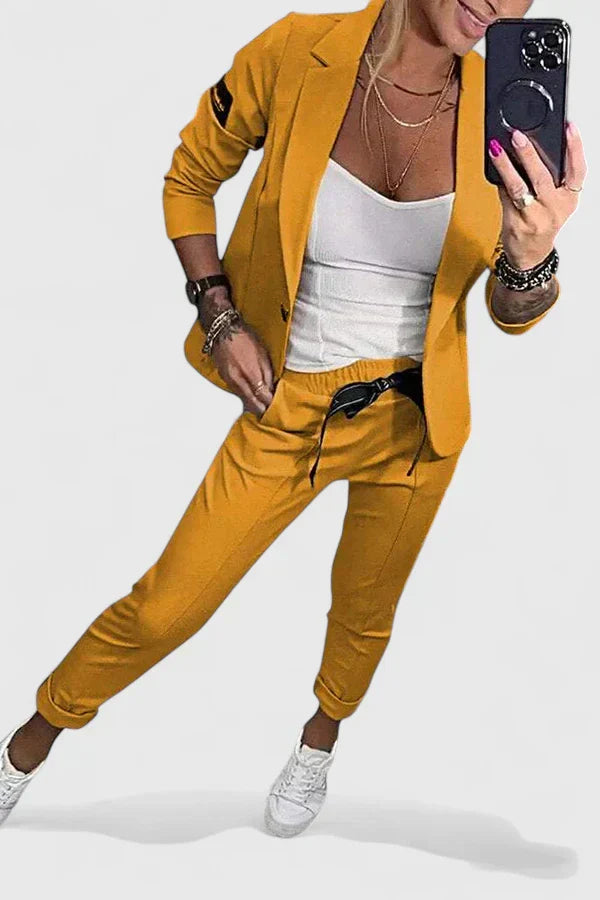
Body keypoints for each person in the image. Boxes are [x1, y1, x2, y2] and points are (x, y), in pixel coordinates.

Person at [0, 0, 585, 839]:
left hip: (417, 427)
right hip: (291, 406)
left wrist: (530, 260)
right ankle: (31, 740)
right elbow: (189, 177)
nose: (497, 2)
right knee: (167, 607)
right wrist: (220, 316)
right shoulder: (297, 51)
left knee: (363, 614)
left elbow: (510, 312)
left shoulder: (507, 115)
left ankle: (319, 741)